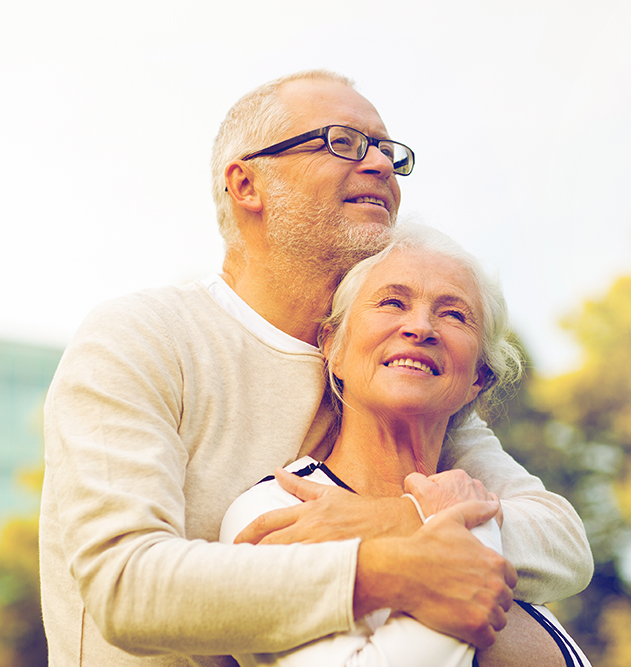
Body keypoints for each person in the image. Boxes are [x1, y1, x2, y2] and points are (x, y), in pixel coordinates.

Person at [39, 70, 593, 667]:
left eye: (386, 149)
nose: (380, 163)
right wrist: (386, 568)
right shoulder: (143, 337)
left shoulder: (389, 374)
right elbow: (127, 587)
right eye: (342, 141)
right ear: (247, 183)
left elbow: (559, 542)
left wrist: (397, 518)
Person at [219, 223, 590, 667]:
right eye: (392, 302)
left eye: (454, 315)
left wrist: (423, 519)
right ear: (333, 346)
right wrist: (461, 527)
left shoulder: (486, 508)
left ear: (479, 378)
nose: (420, 327)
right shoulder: (278, 508)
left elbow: (569, 550)